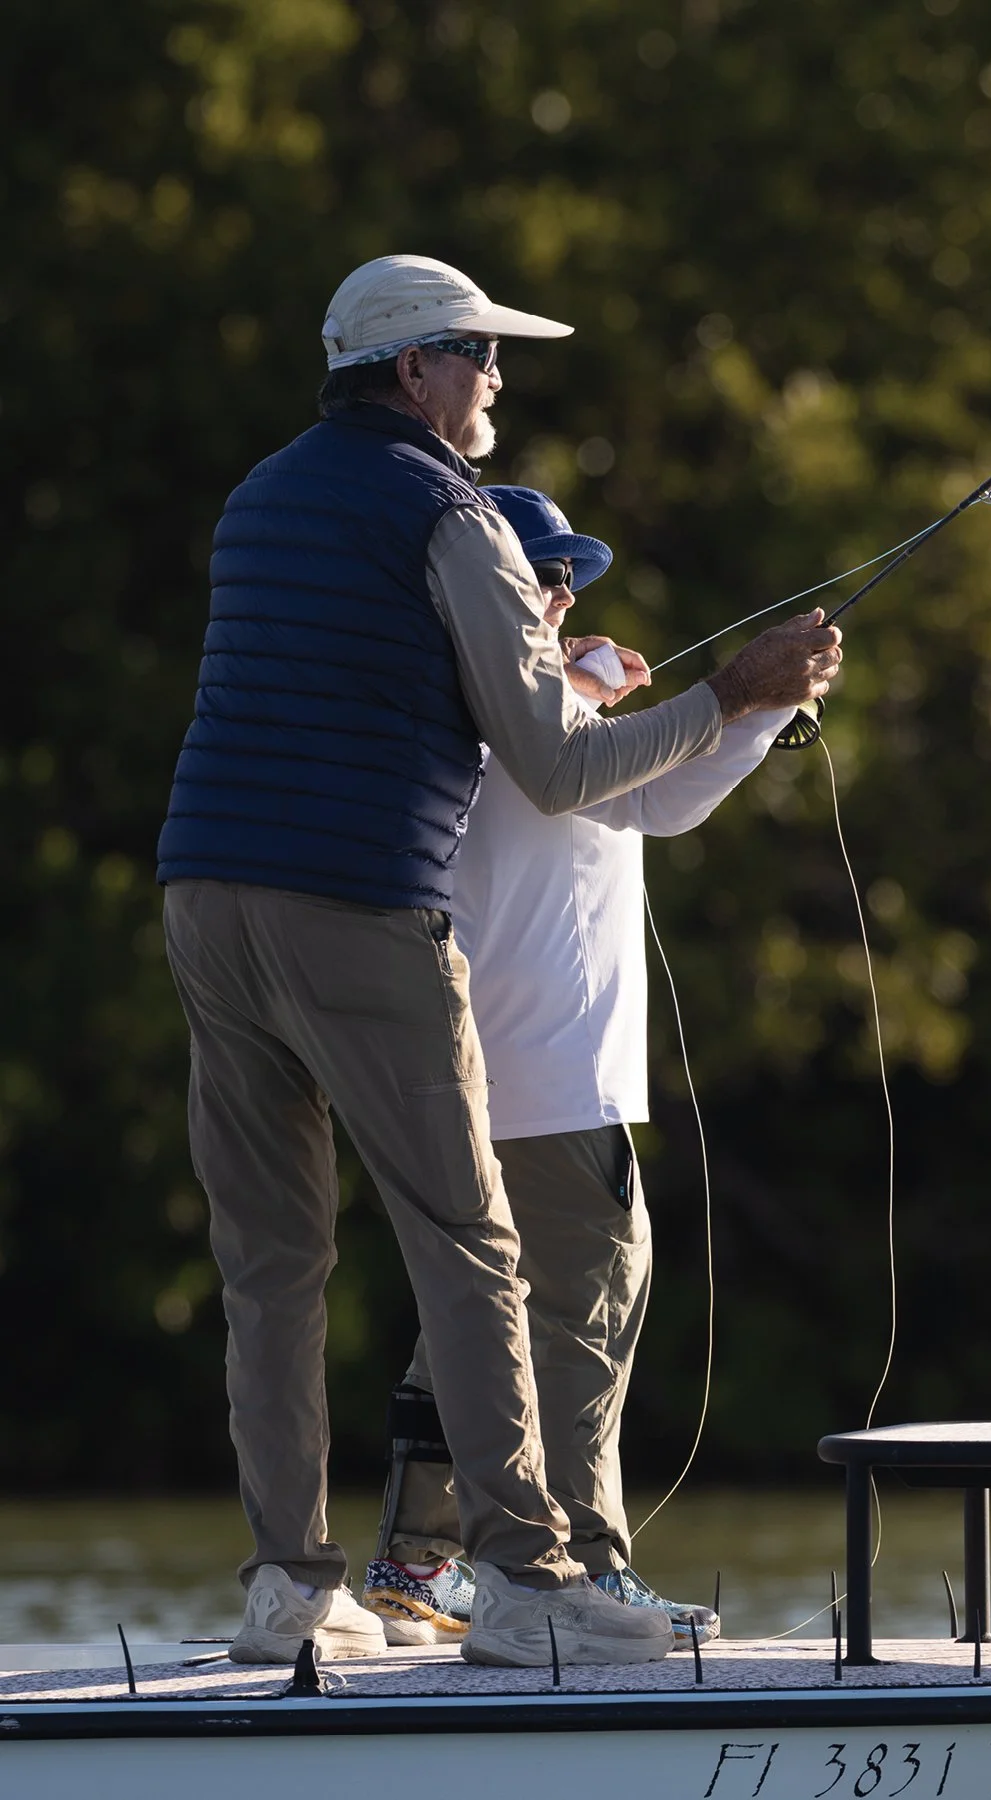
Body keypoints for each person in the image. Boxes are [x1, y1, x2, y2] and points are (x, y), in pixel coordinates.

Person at [155, 253, 841, 1668]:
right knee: (474, 1243)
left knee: (272, 1258)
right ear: (414, 372)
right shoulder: (451, 511)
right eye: (479, 356)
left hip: (204, 893)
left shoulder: (259, 492)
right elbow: (555, 762)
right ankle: (525, 1580)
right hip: (353, 905)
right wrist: (734, 694)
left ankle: (292, 1585)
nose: (496, 383)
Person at [361, 487, 794, 1649]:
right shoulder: (513, 711)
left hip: (468, 1074)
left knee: (468, 1315)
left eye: (566, 582)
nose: (560, 598)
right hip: (544, 1078)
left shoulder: (477, 705)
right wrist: (612, 688)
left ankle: (417, 1564)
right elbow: (568, 764)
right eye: (540, 579)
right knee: (588, 1301)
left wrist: (755, 716)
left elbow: (659, 801)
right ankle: (580, 1564)